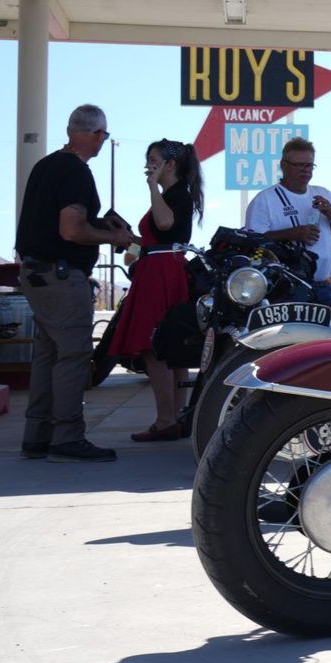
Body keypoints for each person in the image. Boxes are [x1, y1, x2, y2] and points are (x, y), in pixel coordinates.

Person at [14, 105, 136, 461]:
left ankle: (37, 435)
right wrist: (112, 237)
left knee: (48, 355)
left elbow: (55, 223)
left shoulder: (46, 166)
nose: (103, 141)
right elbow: (70, 229)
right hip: (62, 277)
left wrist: (98, 225)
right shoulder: (76, 171)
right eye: (104, 135)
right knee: (73, 356)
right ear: (96, 134)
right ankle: (67, 438)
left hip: (37, 274)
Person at [113, 140, 205, 444]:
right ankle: (173, 418)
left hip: (160, 273)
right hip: (162, 267)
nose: (148, 164)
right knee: (171, 348)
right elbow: (162, 236)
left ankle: (166, 419)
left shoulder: (176, 195)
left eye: (154, 159)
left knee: (155, 346)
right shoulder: (175, 195)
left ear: (170, 164)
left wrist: (152, 187)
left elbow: (165, 223)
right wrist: (131, 238)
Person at [243, 137, 331, 315]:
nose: (305, 170)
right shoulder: (265, 200)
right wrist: (292, 234)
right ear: (283, 165)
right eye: (299, 165)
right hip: (287, 288)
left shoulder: (323, 193)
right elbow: (251, 243)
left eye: (309, 165)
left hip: (323, 285)